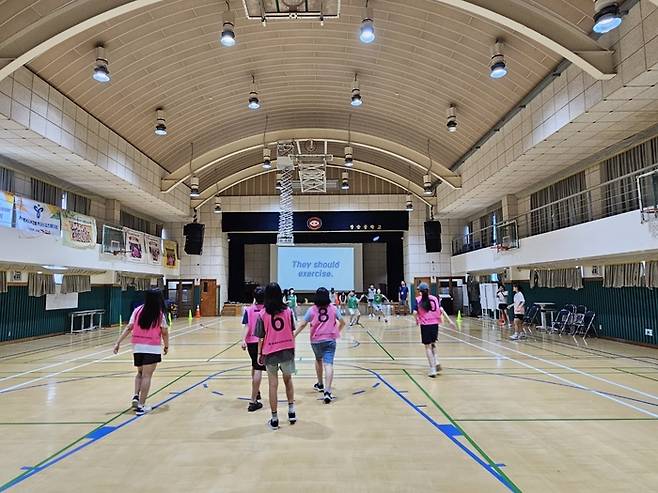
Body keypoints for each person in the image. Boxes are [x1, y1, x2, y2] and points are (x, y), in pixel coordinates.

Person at [113, 289, 169, 415]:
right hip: (152, 348)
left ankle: (135, 396)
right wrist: (166, 346)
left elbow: (129, 327)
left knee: (140, 373)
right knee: (147, 376)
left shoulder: (137, 310)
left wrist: (118, 342)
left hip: (137, 347)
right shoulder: (159, 314)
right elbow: (164, 332)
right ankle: (141, 406)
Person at [254, 282, 297, 430]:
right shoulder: (288, 311)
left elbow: (260, 337)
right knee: (288, 380)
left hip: (270, 351)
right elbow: (292, 331)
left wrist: (259, 353)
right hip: (286, 350)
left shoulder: (262, 314)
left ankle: (274, 418)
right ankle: (291, 411)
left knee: (273, 385)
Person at [294, 287, 345, 404]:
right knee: (329, 364)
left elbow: (302, 324)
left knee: (318, 359)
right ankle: (327, 391)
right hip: (330, 339)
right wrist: (337, 330)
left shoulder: (312, 310)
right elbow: (342, 322)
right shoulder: (333, 308)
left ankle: (320, 383)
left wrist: (293, 336)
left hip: (316, 340)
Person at [412, 282, 455, 378]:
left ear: (420, 291)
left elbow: (415, 312)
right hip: (435, 324)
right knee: (433, 343)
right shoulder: (435, 298)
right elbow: (442, 310)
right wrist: (450, 321)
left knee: (427, 347)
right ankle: (436, 361)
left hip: (425, 324)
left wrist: (416, 320)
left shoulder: (418, 300)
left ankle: (432, 369)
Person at [241, 286, 266, 412]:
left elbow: (246, 326)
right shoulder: (267, 310)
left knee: (254, 365)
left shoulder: (249, 310)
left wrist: (243, 340)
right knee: (258, 368)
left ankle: (257, 392)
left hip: (251, 342)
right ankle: (253, 400)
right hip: (263, 342)